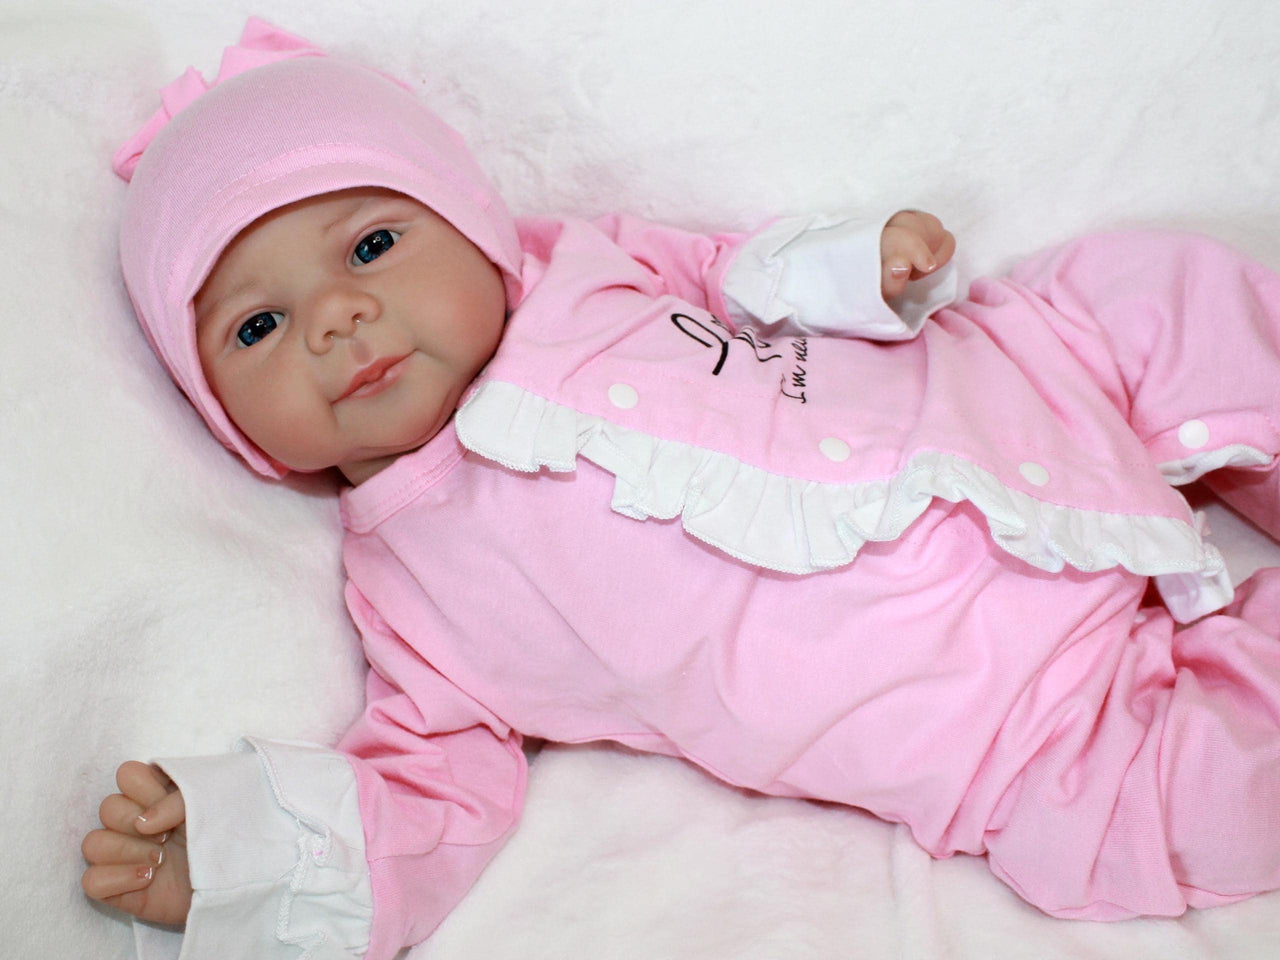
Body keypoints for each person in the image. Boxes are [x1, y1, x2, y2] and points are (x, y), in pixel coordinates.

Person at [82, 17, 1280, 960]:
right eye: (255, 326)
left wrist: (850, 265)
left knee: (1148, 297)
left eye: (373, 245)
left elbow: (740, 273)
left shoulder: (586, 270)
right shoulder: (414, 595)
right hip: (1017, 732)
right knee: (1195, 808)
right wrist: (251, 856)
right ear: (224, 420)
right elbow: (429, 790)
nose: (336, 317)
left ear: (477, 227)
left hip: (1022, 394)